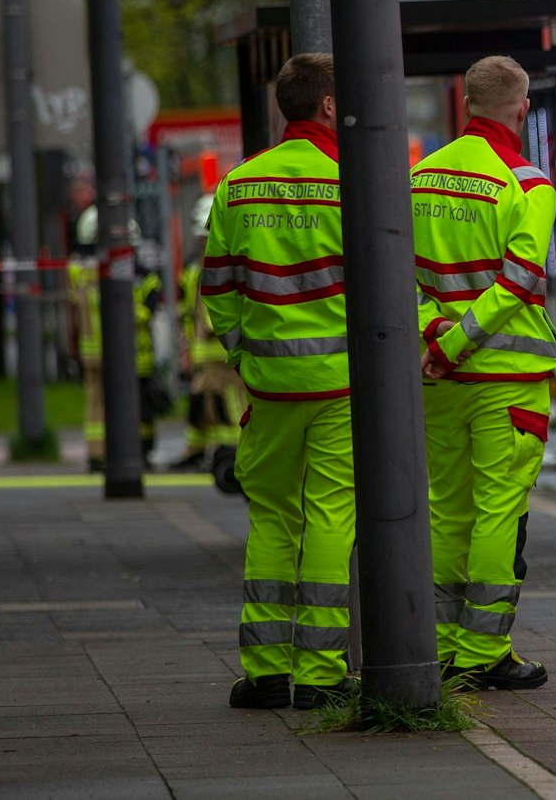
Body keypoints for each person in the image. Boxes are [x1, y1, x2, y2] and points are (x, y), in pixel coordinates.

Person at [200, 53, 357, 711]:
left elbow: (217, 290)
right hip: (339, 385)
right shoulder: (351, 181)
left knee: (270, 519)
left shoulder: (239, 185)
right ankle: (320, 674)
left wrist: (246, 358)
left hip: (269, 389)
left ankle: (264, 671)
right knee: (329, 517)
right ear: (325, 107)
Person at [413, 55, 556, 691]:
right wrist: (462, 344)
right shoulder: (529, 187)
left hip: (438, 379)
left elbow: (399, 275)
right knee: (500, 512)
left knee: (447, 511)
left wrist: (435, 339)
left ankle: (443, 649)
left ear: (465, 102)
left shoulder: (418, 178)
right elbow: (521, 282)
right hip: (506, 380)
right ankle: (483, 654)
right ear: (521, 109)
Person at [70, 207, 157, 471]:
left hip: (90, 349)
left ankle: (96, 453)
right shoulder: (120, 269)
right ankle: (125, 452)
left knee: (95, 401)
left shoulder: (78, 270)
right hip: (119, 348)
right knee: (123, 400)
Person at [175, 194, 244, 475]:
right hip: (208, 353)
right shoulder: (196, 270)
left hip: (221, 351)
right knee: (208, 406)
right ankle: (211, 453)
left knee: (228, 406)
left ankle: (234, 454)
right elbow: (190, 313)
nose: (202, 242)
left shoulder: (215, 264)